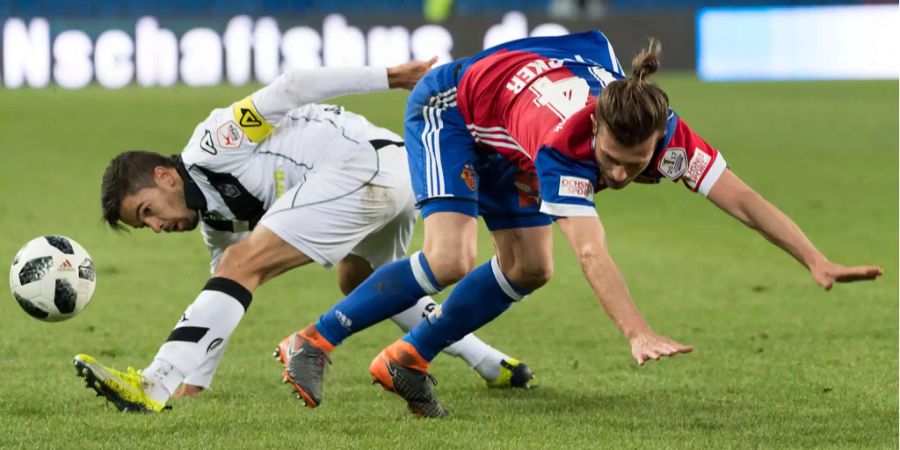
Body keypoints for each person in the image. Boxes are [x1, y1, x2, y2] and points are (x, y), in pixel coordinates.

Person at [279, 31, 883, 418]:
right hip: (452, 108)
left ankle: (407, 359)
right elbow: (591, 252)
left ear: (659, 141)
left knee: (531, 268)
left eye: (636, 163)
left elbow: (742, 199)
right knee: (452, 258)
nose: (619, 177)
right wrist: (636, 331)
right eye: (612, 161)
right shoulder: (564, 142)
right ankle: (312, 339)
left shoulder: (666, 135)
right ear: (595, 128)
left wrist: (814, 258)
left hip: (508, 121)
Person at [72, 59, 534, 414]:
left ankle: (152, 382)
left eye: (147, 211)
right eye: (144, 224)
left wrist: (391, 76)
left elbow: (292, 87)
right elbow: (221, 290)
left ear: (165, 175)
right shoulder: (216, 222)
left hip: (363, 167)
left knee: (244, 266)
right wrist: (194, 381)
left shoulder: (213, 144)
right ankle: (492, 363)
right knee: (362, 283)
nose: (156, 227)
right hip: (397, 173)